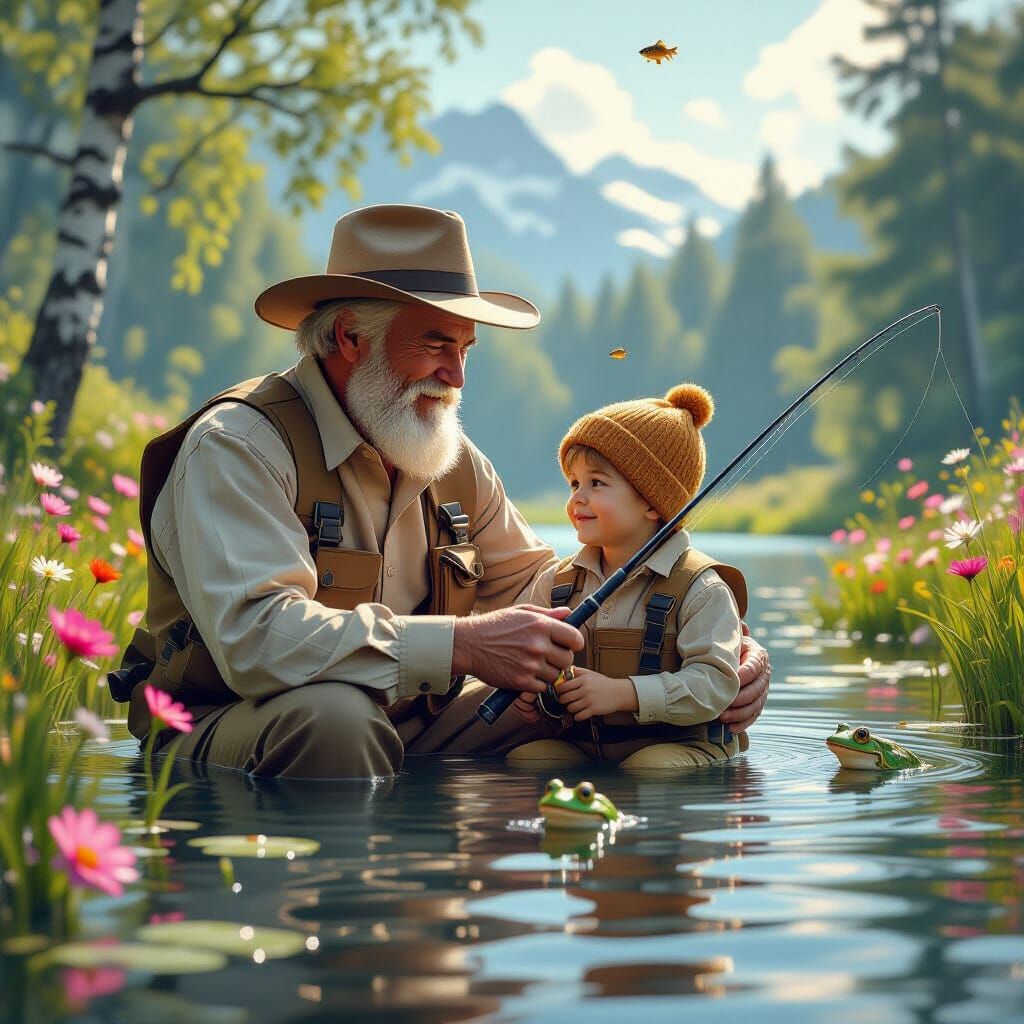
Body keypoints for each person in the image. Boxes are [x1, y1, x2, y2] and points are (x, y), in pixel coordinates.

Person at [110, 203, 772, 779]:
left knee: (592, 717)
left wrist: (716, 643)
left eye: (466, 348)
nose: (455, 375)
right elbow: (255, 641)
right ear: (349, 337)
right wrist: (462, 645)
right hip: (225, 719)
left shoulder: (447, 455)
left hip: (413, 723)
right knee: (336, 723)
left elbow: (553, 591)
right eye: (435, 344)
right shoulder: (239, 445)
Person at [508, 383, 750, 769]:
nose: (576, 499)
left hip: (680, 745)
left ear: (653, 504)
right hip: (589, 745)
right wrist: (531, 694)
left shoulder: (701, 589)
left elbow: (715, 683)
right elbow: (526, 656)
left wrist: (624, 694)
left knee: (649, 768)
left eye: (596, 483)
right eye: (574, 483)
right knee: (526, 760)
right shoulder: (556, 582)